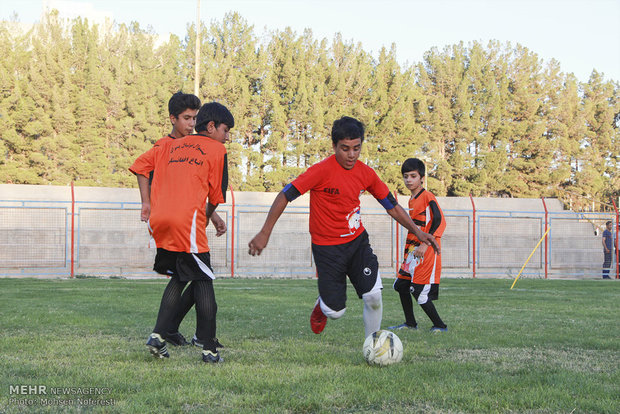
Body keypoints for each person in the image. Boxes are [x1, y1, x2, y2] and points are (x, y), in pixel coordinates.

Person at [248, 116, 440, 339]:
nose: (351, 155)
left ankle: (373, 346)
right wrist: (265, 232)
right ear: (334, 146)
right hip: (327, 248)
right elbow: (284, 195)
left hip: (357, 243)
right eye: (345, 149)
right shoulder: (320, 171)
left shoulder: (366, 173)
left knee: (374, 297)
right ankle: (323, 305)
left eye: (356, 148)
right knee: (335, 312)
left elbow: (392, 206)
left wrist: (418, 232)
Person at [129, 101, 234, 363]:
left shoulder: (168, 145)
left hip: (160, 220)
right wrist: (208, 217)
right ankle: (209, 349)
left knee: (179, 276)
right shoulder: (216, 149)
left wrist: (146, 202)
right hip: (187, 224)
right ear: (211, 127)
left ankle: (159, 336)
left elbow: (141, 167)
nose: (227, 136)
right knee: (204, 281)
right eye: (226, 130)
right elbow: (216, 195)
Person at [387, 158, 448, 332]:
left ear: (421, 178)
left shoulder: (428, 197)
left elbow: (439, 221)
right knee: (401, 285)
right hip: (412, 251)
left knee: (418, 291)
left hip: (425, 250)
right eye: (406, 176)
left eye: (413, 176)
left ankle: (440, 326)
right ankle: (410, 324)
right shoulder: (412, 199)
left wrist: (425, 244)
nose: (409, 180)